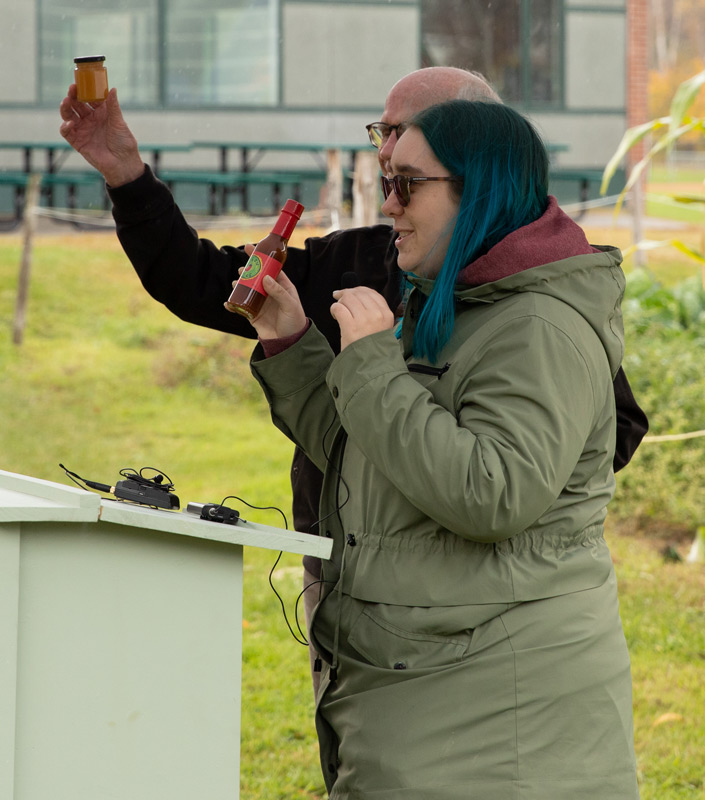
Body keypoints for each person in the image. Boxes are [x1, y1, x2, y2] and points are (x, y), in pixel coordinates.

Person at [59, 65, 648, 691]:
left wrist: (451, 523)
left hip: (477, 617)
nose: (390, 161)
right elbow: (197, 281)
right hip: (340, 564)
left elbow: (596, 437)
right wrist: (125, 174)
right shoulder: (365, 257)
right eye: (383, 135)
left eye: (410, 138)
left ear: (480, 155)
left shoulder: (533, 305)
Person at [246, 99, 639, 796]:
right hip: (419, 697)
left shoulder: (540, 325)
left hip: (500, 724)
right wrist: (290, 340)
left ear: (479, 189)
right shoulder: (451, 300)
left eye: (407, 185)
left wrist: (370, 363)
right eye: (384, 180)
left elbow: (493, 493)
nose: (388, 205)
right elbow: (374, 452)